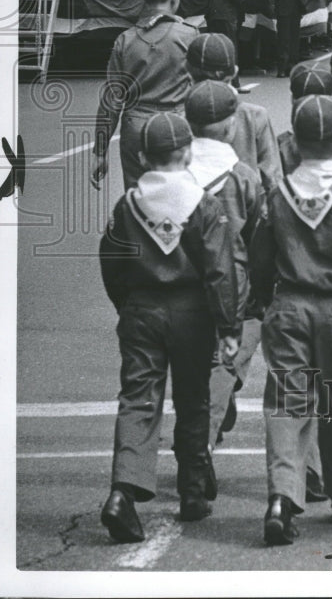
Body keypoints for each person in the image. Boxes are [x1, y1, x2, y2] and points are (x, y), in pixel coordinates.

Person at [98, 112, 241, 542]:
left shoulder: (128, 205)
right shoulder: (203, 204)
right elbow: (220, 271)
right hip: (192, 312)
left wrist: (127, 305)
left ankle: (123, 492)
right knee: (194, 398)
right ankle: (193, 490)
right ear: (189, 152)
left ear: (142, 155)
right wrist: (228, 325)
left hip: (141, 309)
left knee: (138, 398)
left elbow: (112, 261)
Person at [253, 96, 332, 544]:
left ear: (297, 140)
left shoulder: (277, 193)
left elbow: (261, 259)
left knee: (287, 404)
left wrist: (258, 304)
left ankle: (281, 497)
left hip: (289, 306)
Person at [184, 81, 266, 455]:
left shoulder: (175, 172)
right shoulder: (244, 176)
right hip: (232, 281)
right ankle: (205, 434)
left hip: (181, 280)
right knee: (226, 358)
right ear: (232, 125)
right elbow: (257, 237)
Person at [91, 0, 197, 191]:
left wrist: (100, 151)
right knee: (180, 193)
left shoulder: (124, 40)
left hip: (136, 128)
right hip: (176, 125)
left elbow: (111, 101)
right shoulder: (188, 35)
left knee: (137, 197)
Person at [185, 33, 282, 189]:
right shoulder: (255, 115)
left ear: (188, 73)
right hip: (246, 203)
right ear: (234, 71)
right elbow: (272, 175)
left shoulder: (179, 116)